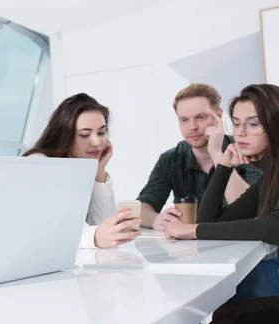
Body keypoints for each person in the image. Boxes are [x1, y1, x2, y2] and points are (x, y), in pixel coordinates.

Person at [165, 84, 279, 305]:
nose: (240, 133)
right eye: (236, 124)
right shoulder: (269, 176)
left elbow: (274, 227)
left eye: (253, 124)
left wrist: (192, 231)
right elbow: (210, 220)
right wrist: (225, 165)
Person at [136, 83, 262, 231]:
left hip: (247, 247)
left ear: (219, 115)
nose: (192, 127)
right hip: (195, 247)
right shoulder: (171, 158)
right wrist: (156, 220)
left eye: (201, 117)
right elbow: (141, 208)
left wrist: (217, 154)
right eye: (184, 120)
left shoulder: (245, 147)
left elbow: (255, 211)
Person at [24, 93, 141, 249]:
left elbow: (104, 225)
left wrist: (100, 171)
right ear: (63, 136)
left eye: (101, 132)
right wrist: (95, 236)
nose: (97, 142)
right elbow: (52, 229)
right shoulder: (39, 163)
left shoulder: (82, 166)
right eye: (84, 135)